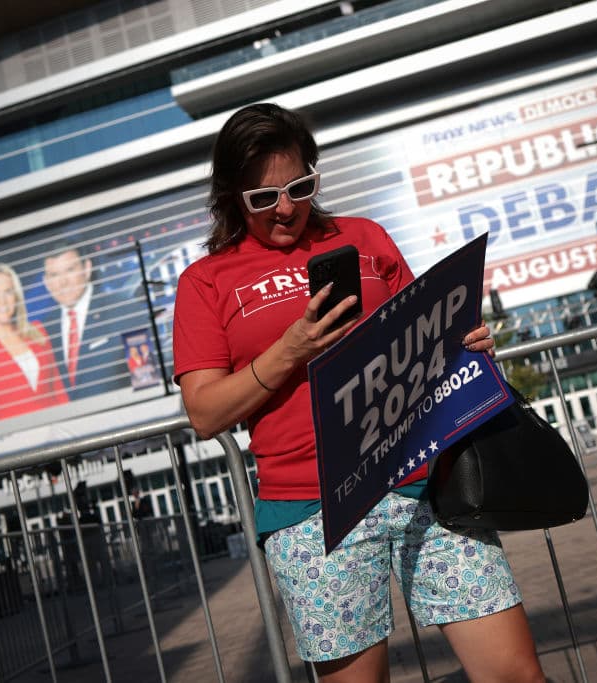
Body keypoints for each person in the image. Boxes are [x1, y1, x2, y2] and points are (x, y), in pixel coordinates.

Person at [172, 103, 544, 683]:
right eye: (264, 198)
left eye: (299, 187)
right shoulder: (205, 282)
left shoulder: (365, 238)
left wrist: (464, 343)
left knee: (517, 676)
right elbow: (203, 412)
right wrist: (290, 350)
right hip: (312, 513)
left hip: (425, 487)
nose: (286, 208)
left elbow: (430, 341)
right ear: (231, 196)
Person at [0, 263, 67, 425]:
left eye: (8, 291)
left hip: (59, 431)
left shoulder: (38, 332)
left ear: (16, 296)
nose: (3, 301)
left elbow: (59, 391)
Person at [42, 243, 134, 399]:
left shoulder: (124, 311)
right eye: (54, 275)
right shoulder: (44, 329)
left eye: (70, 270)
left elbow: (146, 379)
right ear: (46, 282)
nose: (63, 282)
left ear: (87, 269)